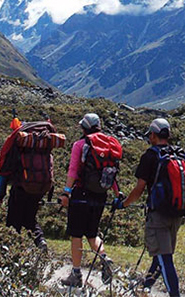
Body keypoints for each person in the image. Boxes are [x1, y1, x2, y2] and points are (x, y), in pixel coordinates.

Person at [118, 118, 185, 297]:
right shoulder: (179, 154)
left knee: (164, 258)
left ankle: (174, 294)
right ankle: (145, 287)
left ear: (153, 134)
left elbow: (139, 188)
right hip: (177, 212)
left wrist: (124, 204)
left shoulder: (150, 156)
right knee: (161, 256)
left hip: (158, 214)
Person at [60, 113, 123, 287]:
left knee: (76, 234)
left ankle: (76, 274)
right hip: (101, 196)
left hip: (81, 195)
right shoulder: (108, 145)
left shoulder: (81, 144)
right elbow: (112, 174)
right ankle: (104, 257)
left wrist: (66, 193)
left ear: (84, 127)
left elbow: (73, 171)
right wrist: (117, 194)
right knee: (92, 233)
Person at [0, 118, 64, 249]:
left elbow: (5, 168)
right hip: (41, 187)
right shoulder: (43, 148)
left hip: (21, 186)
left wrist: (0, 193)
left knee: (13, 219)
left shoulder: (19, 146)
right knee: (30, 218)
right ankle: (40, 241)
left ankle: (9, 250)